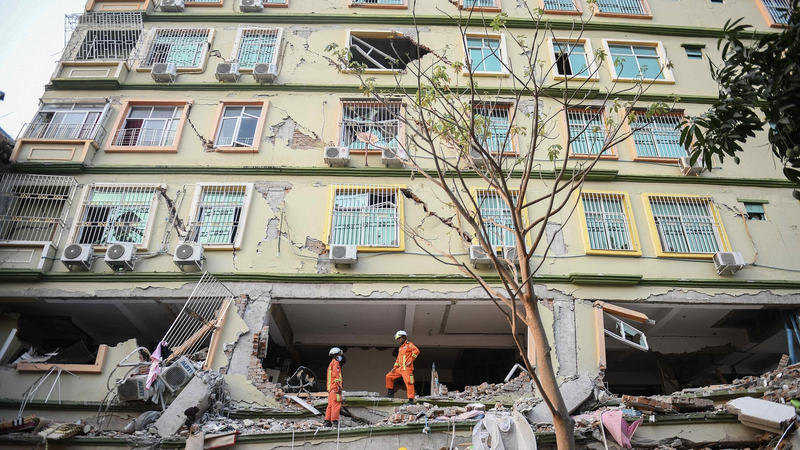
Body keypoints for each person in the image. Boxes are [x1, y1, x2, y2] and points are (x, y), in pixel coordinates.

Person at [385, 330, 420, 404]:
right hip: (400, 368)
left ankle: (411, 400)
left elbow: (416, 351)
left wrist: (411, 360)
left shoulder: (409, 344)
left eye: (399, 338)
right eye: (398, 339)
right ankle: (390, 394)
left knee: (409, 383)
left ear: (404, 337)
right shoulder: (400, 348)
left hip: (407, 369)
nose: (398, 340)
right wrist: (394, 367)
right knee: (389, 376)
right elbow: (398, 359)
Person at [324, 347, 344, 428]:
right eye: (339, 354)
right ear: (336, 355)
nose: (340, 356)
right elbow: (336, 376)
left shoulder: (331, 364)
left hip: (331, 388)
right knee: (336, 404)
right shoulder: (336, 364)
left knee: (330, 405)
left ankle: (327, 421)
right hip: (335, 387)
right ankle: (335, 422)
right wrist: (339, 386)